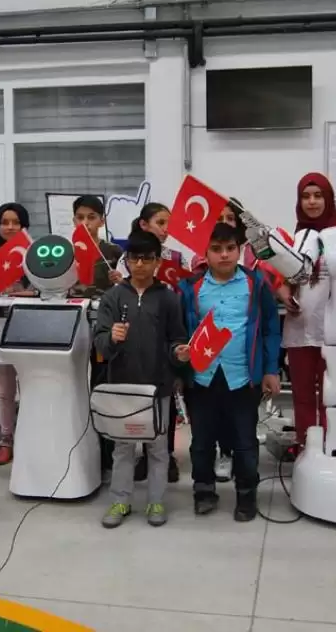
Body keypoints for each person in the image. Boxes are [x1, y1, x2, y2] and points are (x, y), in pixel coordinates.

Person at [180, 223, 282, 522]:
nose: (224, 255)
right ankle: (203, 492)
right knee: (201, 442)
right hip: (202, 377)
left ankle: (246, 496)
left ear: (240, 250)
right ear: (206, 252)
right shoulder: (191, 287)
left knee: (245, 442)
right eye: (216, 249)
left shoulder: (256, 284)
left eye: (230, 248)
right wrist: (179, 361)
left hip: (243, 378)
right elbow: (180, 331)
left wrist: (271, 369)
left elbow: (270, 328)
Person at [93, 230, 190, 528]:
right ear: (126, 261)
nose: (140, 265)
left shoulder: (169, 299)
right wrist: (112, 338)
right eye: (134, 258)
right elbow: (100, 343)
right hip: (122, 385)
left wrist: (179, 355)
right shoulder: (112, 297)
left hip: (157, 387)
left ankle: (156, 500)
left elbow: (176, 339)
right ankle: (120, 501)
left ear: (157, 261)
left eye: (147, 259)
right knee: (123, 448)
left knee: (158, 449)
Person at [120, 202, 188, 484]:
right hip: (135, 339)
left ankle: (165, 454)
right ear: (144, 224)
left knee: (165, 401)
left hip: (166, 335)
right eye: (160, 222)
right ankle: (142, 454)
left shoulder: (176, 257)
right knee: (137, 402)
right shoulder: (127, 258)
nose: (166, 229)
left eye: (168, 223)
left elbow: (183, 293)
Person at [276, 172, 336, 448]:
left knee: (330, 396)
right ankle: (305, 446)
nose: (312, 202)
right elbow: (285, 275)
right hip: (300, 327)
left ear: (329, 199)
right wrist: (283, 291)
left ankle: (328, 447)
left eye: (318, 196)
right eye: (305, 196)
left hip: (332, 330)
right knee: (301, 395)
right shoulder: (297, 238)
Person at [65, 195, 124, 477]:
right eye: (80, 217)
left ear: (102, 220)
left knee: (102, 385)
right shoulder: (65, 251)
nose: (85, 223)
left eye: (91, 217)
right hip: (72, 325)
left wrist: (120, 280)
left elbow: (128, 289)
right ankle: (76, 444)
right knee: (74, 384)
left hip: (103, 327)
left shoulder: (113, 252)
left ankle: (106, 452)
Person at [0, 202, 38, 466]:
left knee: (31, 387)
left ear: (24, 226)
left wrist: (29, 292)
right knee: (5, 391)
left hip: (30, 329)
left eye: (16, 222)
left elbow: (47, 290)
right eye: (5, 222)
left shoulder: (35, 254)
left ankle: (31, 437)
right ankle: (6, 439)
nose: (10, 227)